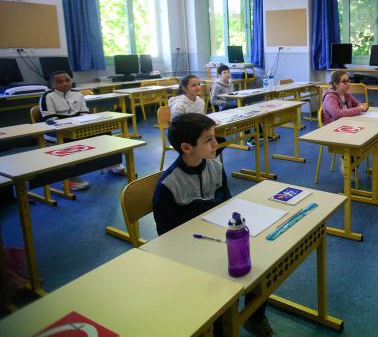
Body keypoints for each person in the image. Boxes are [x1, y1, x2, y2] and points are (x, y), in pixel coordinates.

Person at [152, 113, 273, 337]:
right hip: (189, 255)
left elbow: (227, 207)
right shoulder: (168, 186)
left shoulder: (215, 168)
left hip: (218, 241)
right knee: (220, 300)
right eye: (208, 140)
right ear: (186, 148)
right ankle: (220, 325)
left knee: (263, 260)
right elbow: (166, 240)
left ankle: (254, 317)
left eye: (214, 137)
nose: (216, 144)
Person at [39, 70, 124, 190]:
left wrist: (82, 121)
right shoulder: (47, 96)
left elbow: (84, 112)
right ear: (52, 85)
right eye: (60, 82)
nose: (65, 83)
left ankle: (111, 162)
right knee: (69, 144)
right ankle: (71, 178)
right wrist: (74, 121)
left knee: (105, 132)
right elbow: (50, 119)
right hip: (56, 132)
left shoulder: (77, 94)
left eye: (67, 80)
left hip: (78, 127)